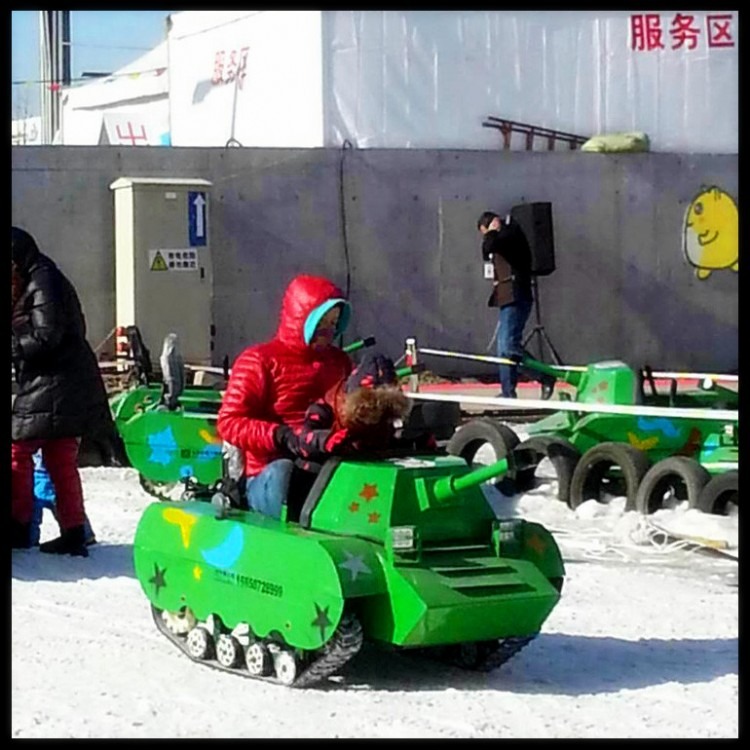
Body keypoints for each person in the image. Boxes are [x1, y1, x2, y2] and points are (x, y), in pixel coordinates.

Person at [217, 274, 356, 519]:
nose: (330, 330)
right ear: (302, 318)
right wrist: (281, 436)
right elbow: (230, 422)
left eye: (334, 322)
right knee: (285, 472)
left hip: (324, 466)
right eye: (323, 321)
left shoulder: (339, 362)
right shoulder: (259, 360)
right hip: (269, 472)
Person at [12, 226, 111, 556]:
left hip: (54, 380)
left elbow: (47, 335)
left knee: (19, 450)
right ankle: (73, 532)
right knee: (59, 458)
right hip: (67, 380)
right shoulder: (42, 276)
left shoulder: (43, 280)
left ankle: (20, 526)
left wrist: (14, 347)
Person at [477, 211, 555, 399]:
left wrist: (492, 231)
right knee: (504, 348)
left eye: (485, 231)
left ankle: (544, 376)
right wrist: (490, 234)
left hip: (517, 294)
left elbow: (492, 243)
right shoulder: (498, 237)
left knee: (509, 346)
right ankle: (508, 391)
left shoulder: (511, 232)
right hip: (507, 296)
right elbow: (486, 251)